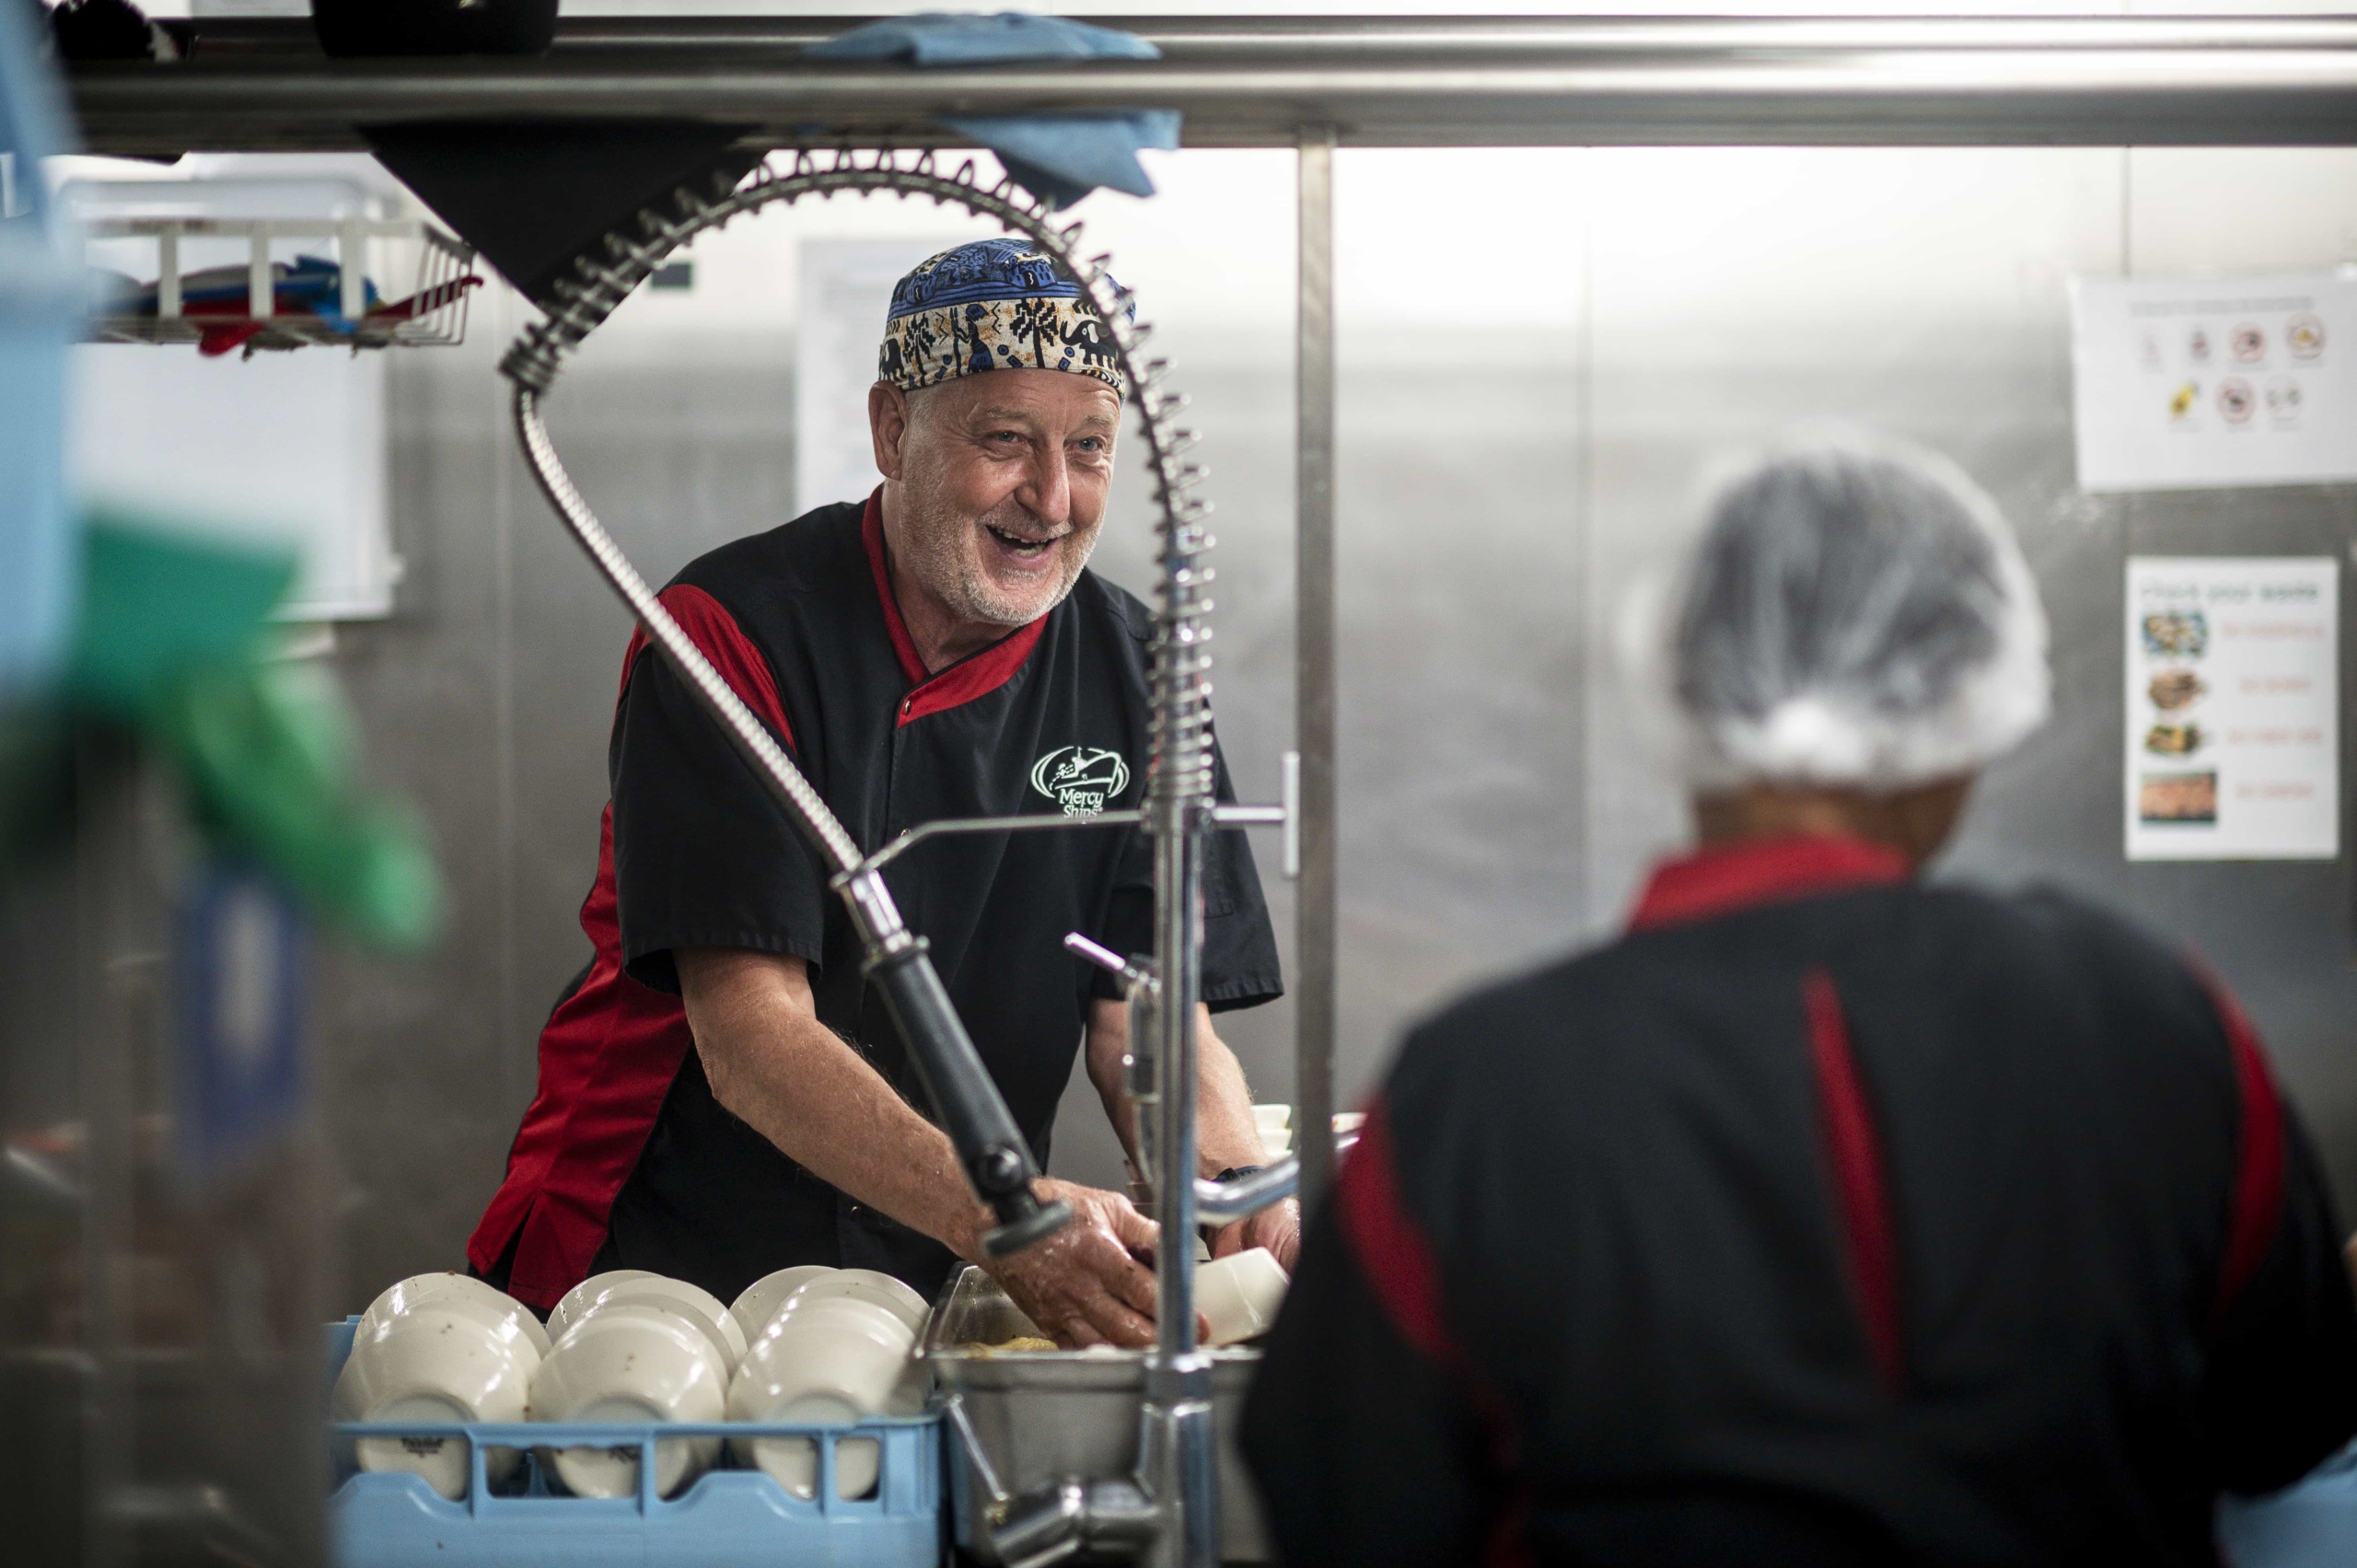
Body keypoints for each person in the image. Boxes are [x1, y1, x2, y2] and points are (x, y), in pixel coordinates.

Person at [1240, 434, 2357, 1563]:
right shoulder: (2152, 1017)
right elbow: (2287, 1418)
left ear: (1680, 691)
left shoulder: (1474, 1088)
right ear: (1966, 708)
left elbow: (1334, 1497)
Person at [466, 238, 1295, 1346]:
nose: (1050, 499)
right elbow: (750, 1036)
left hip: (937, 1254)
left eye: (1088, 446)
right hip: (657, 1245)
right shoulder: (729, 632)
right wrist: (1002, 1214)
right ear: (893, 430)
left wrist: (1224, 1165)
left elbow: (1142, 1005)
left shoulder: (1138, 673)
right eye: (1005, 440)